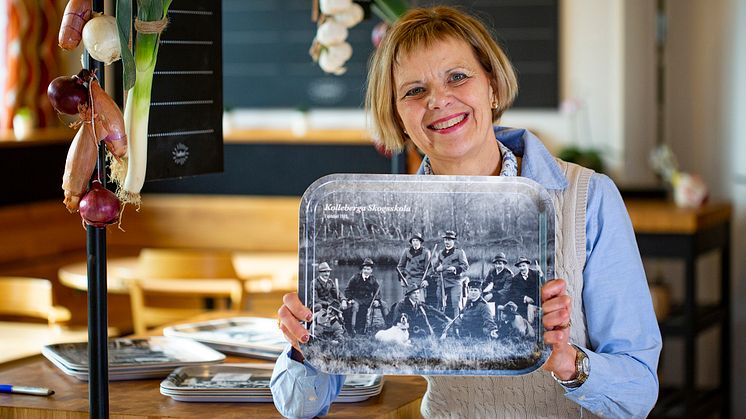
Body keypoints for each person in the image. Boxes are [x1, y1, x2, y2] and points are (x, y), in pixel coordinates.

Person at [273, 6, 661, 418]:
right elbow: (298, 407)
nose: (438, 100)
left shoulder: (589, 199)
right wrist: (305, 345)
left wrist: (567, 361)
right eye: (414, 91)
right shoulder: (372, 212)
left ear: (492, 87)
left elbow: (636, 394)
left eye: (457, 77)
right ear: (398, 117)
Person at [431, 230, 469, 318]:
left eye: (449, 240)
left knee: (455, 303)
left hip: (455, 282)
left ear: (453, 241)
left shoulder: (459, 252)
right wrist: (437, 269)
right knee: (440, 302)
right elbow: (435, 267)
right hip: (442, 282)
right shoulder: (440, 253)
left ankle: (457, 323)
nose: (447, 242)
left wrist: (455, 269)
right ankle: (441, 322)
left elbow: (466, 266)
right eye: (446, 240)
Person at [342, 257, 379, 336]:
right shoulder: (355, 277)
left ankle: (388, 325)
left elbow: (378, 291)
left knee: (384, 304)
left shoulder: (373, 279)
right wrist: (350, 299)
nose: (366, 271)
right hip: (357, 299)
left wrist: (377, 300)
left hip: (368, 300)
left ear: (371, 270)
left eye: (368, 269)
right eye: (364, 269)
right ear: (362, 269)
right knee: (356, 307)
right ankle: (353, 329)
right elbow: (347, 290)